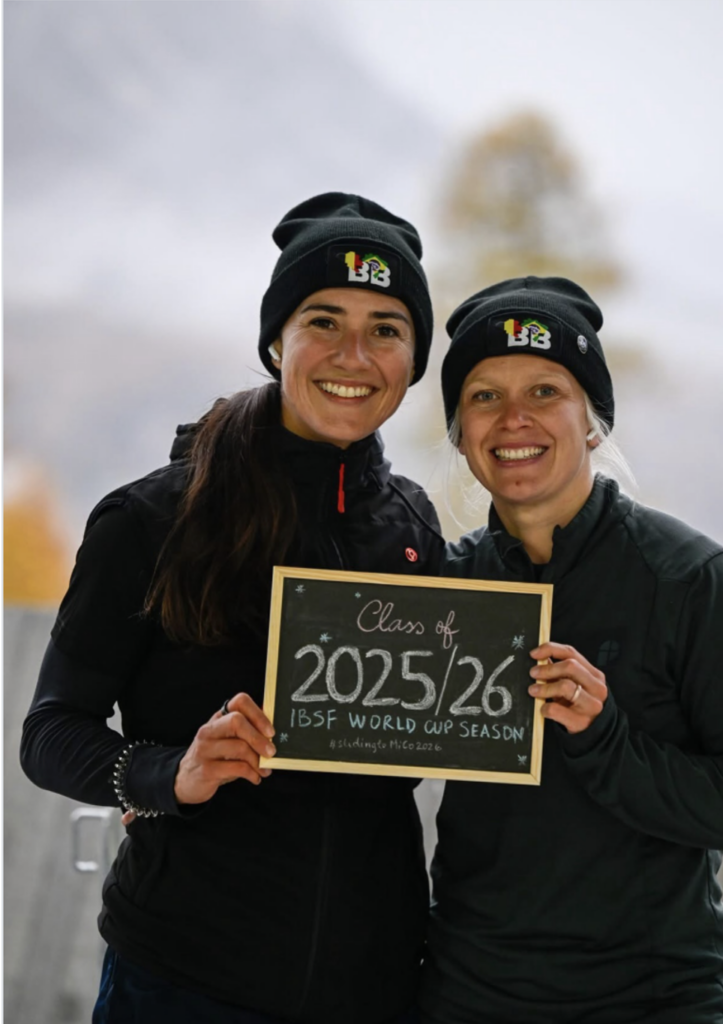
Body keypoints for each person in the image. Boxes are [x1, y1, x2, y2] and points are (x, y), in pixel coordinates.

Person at [21, 193, 444, 1024]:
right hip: (183, 980)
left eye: (387, 328)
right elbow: (50, 733)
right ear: (276, 341)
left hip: (376, 980)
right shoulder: (149, 520)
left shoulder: (414, 527)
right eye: (323, 319)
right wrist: (167, 773)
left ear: (413, 358)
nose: (354, 353)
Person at [420, 276, 723, 1024]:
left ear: (592, 421)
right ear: (459, 431)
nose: (512, 420)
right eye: (482, 396)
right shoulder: (448, 586)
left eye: (544, 391)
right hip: (468, 993)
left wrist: (606, 741)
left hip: (651, 997)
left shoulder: (693, 580)